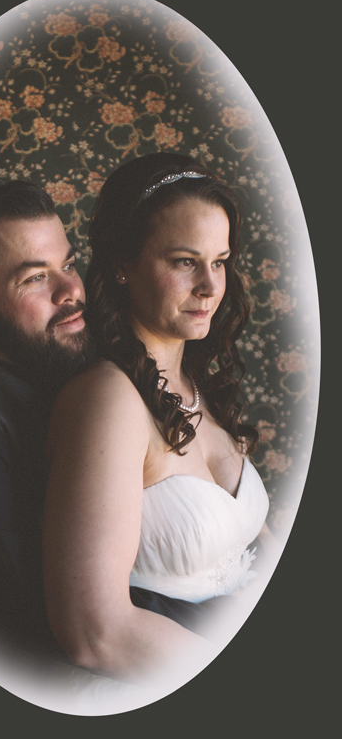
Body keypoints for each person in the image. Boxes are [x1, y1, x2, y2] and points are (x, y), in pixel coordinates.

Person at [0, 178, 226, 686]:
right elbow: (35, 615)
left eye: (69, 263)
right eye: (34, 278)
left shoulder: (72, 351)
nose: (71, 289)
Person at [43, 153, 278, 687]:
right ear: (124, 263)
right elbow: (92, 631)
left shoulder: (201, 384)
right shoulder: (107, 400)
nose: (211, 287)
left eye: (219, 261)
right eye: (184, 261)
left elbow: (258, 544)